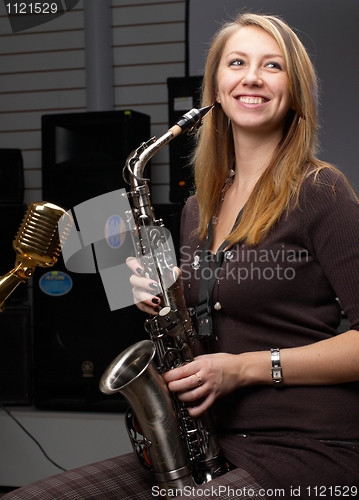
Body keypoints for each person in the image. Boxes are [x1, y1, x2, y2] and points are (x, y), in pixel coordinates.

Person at [4, 12, 359, 500]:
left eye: (272, 66)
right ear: (215, 87)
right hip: (213, 442)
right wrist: (163, 297)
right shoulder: (200, 206)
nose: (252, 77)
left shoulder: (321, 191)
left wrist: (244, 367)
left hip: (307, 450)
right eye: (237, 62)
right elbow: (213, 316)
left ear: (295, 90)